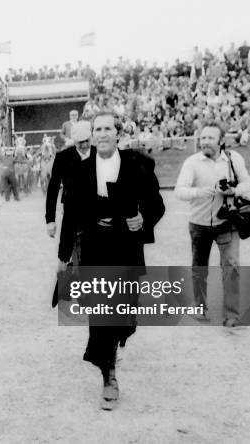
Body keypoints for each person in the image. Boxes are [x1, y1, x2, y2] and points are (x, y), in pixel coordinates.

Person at [59, 111, 165, 410]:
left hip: (126, 246)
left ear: (118, 133)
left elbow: (156, 203)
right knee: (102, 314)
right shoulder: (81, 171)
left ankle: (113, 351)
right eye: (97, 129)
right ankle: (109, 376)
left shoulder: (137, 164)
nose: (102, 134)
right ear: (91, 135)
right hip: (95, 247)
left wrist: (143, 218)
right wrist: (63, 256)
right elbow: (70, 216)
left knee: (124, 314)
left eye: (107, 128)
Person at [174, 120, 250, 327]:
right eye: (202, 138)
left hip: (227, 222)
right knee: (199, 268)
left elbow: (247, 183)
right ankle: (200, 307)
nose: (205, 142)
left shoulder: (234, 159)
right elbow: (179, 190)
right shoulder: (192, 162)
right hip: (199, 224)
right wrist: (201, 192)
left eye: (210, 138)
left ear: (221, 141)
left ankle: (232, 315)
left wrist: (234, 191)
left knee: (232, 266)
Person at [45, 120, 92, 246]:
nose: (84, 145)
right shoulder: (62, 158)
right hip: (72, 212)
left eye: (87, 141)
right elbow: (53, 188)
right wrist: (50, 220)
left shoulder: (99, 154)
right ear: (74, 141)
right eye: (80, 142)